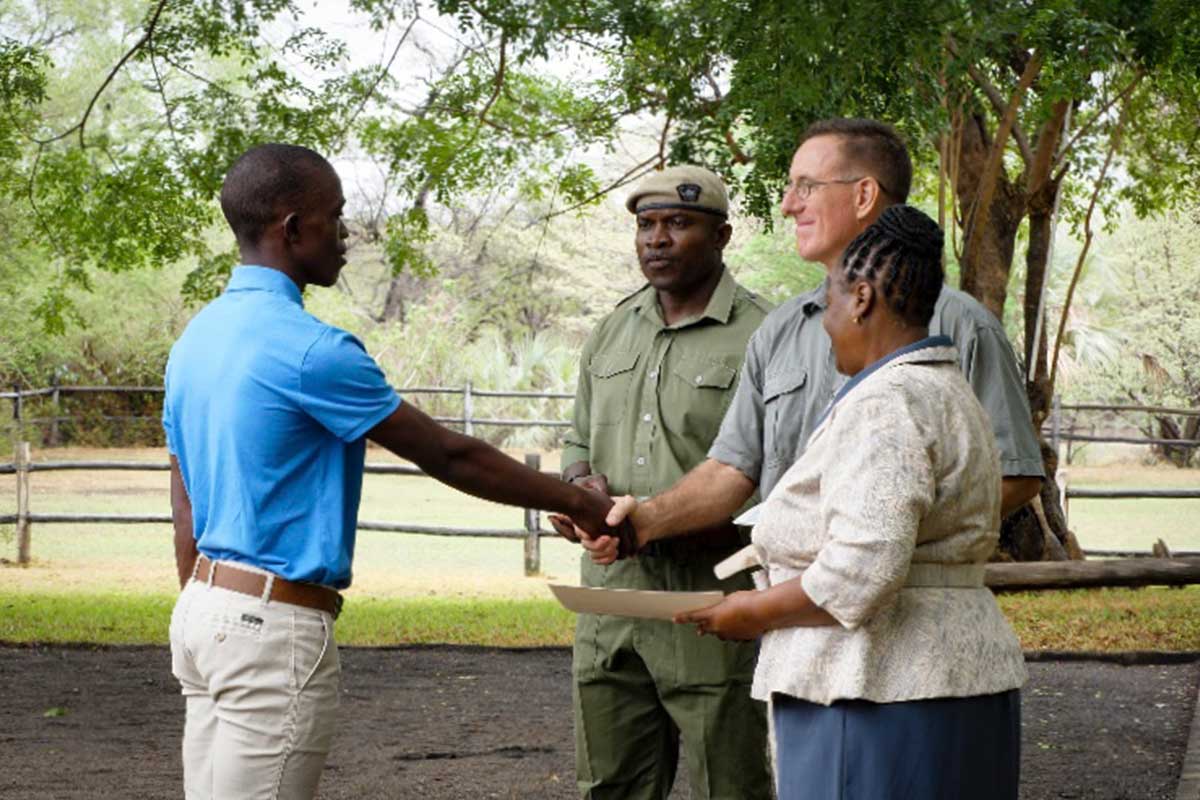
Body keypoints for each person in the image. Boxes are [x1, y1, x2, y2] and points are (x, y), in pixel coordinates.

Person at [163, 143, 623, 800]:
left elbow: (183, 495)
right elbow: (446, 454)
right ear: (292, 228)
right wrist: (579, 503)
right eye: (336, 215)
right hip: (270, 630)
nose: (347, 233)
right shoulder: (312, 352)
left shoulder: (195, 341)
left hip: (203, 614)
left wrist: (205, 604)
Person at [677, 205, 1027, 799]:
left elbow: (859, 573)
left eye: (831, 303)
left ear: (862, 298)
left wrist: (751, 613)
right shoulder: (946, 389)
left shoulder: (885, 404)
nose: (825, 321)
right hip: (958, 679)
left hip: (873, 691)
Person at [582, 117, 1043, 559]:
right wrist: (644, 520)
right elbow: (733, 469)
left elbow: (1013, 476)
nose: (788, 205)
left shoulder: (961, 325)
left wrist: (868, 545)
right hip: (791, 620)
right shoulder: (779, 331)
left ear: (864, 194)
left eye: (806, 187)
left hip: (911, 614)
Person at [554, 166, 774, 799]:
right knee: (611, 787)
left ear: (722, 235)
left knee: (729, 788)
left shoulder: (767, 334)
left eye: (678, 223)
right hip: (610, 607)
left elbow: (779, 477)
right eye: (645, 226)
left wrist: (661, 521)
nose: (657, 239)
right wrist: (580, 495)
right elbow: (576, 443)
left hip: (711, 604)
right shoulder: (612, 329)